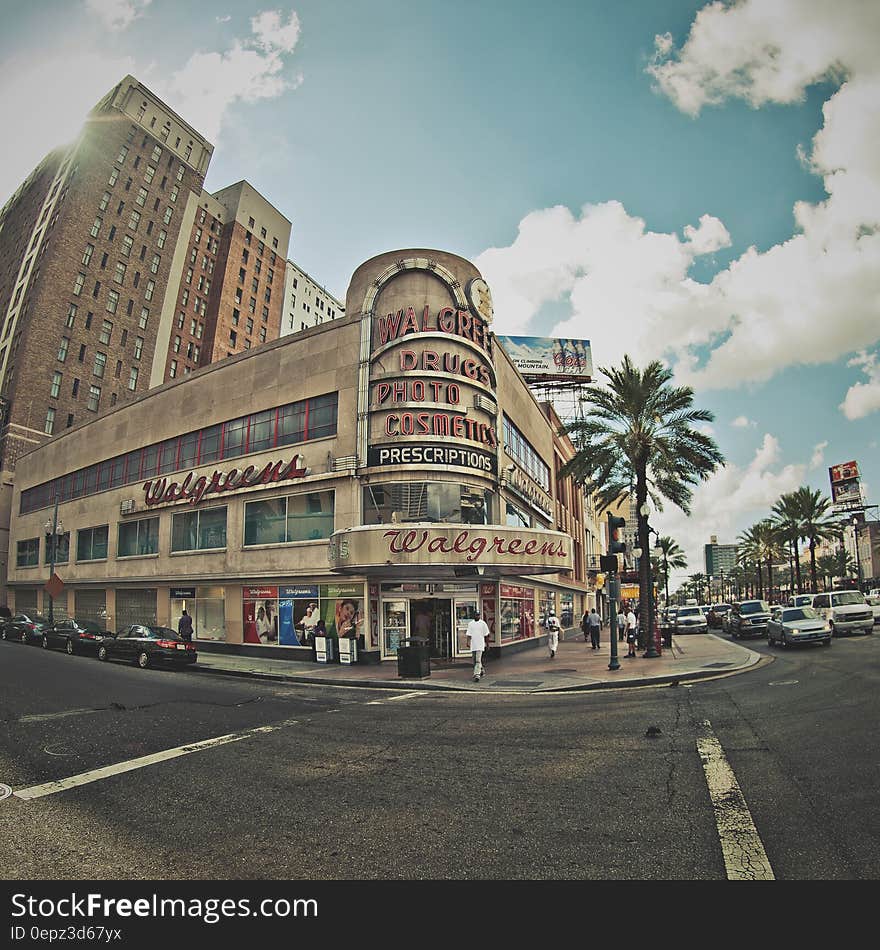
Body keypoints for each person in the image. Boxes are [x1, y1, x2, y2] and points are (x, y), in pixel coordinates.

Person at [466, 610, 490, 682]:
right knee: (474, 661)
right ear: (474, 615)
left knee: (477, 660)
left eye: (478, 615)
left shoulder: (483, 623)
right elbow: (469, 634)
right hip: (473, 645)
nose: (477, 616)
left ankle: (477, 675)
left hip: (480, 645)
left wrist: (487, 644)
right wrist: (468, 642)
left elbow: (486, 635)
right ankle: (481, 670)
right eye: (476, 615)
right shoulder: (470, 624)